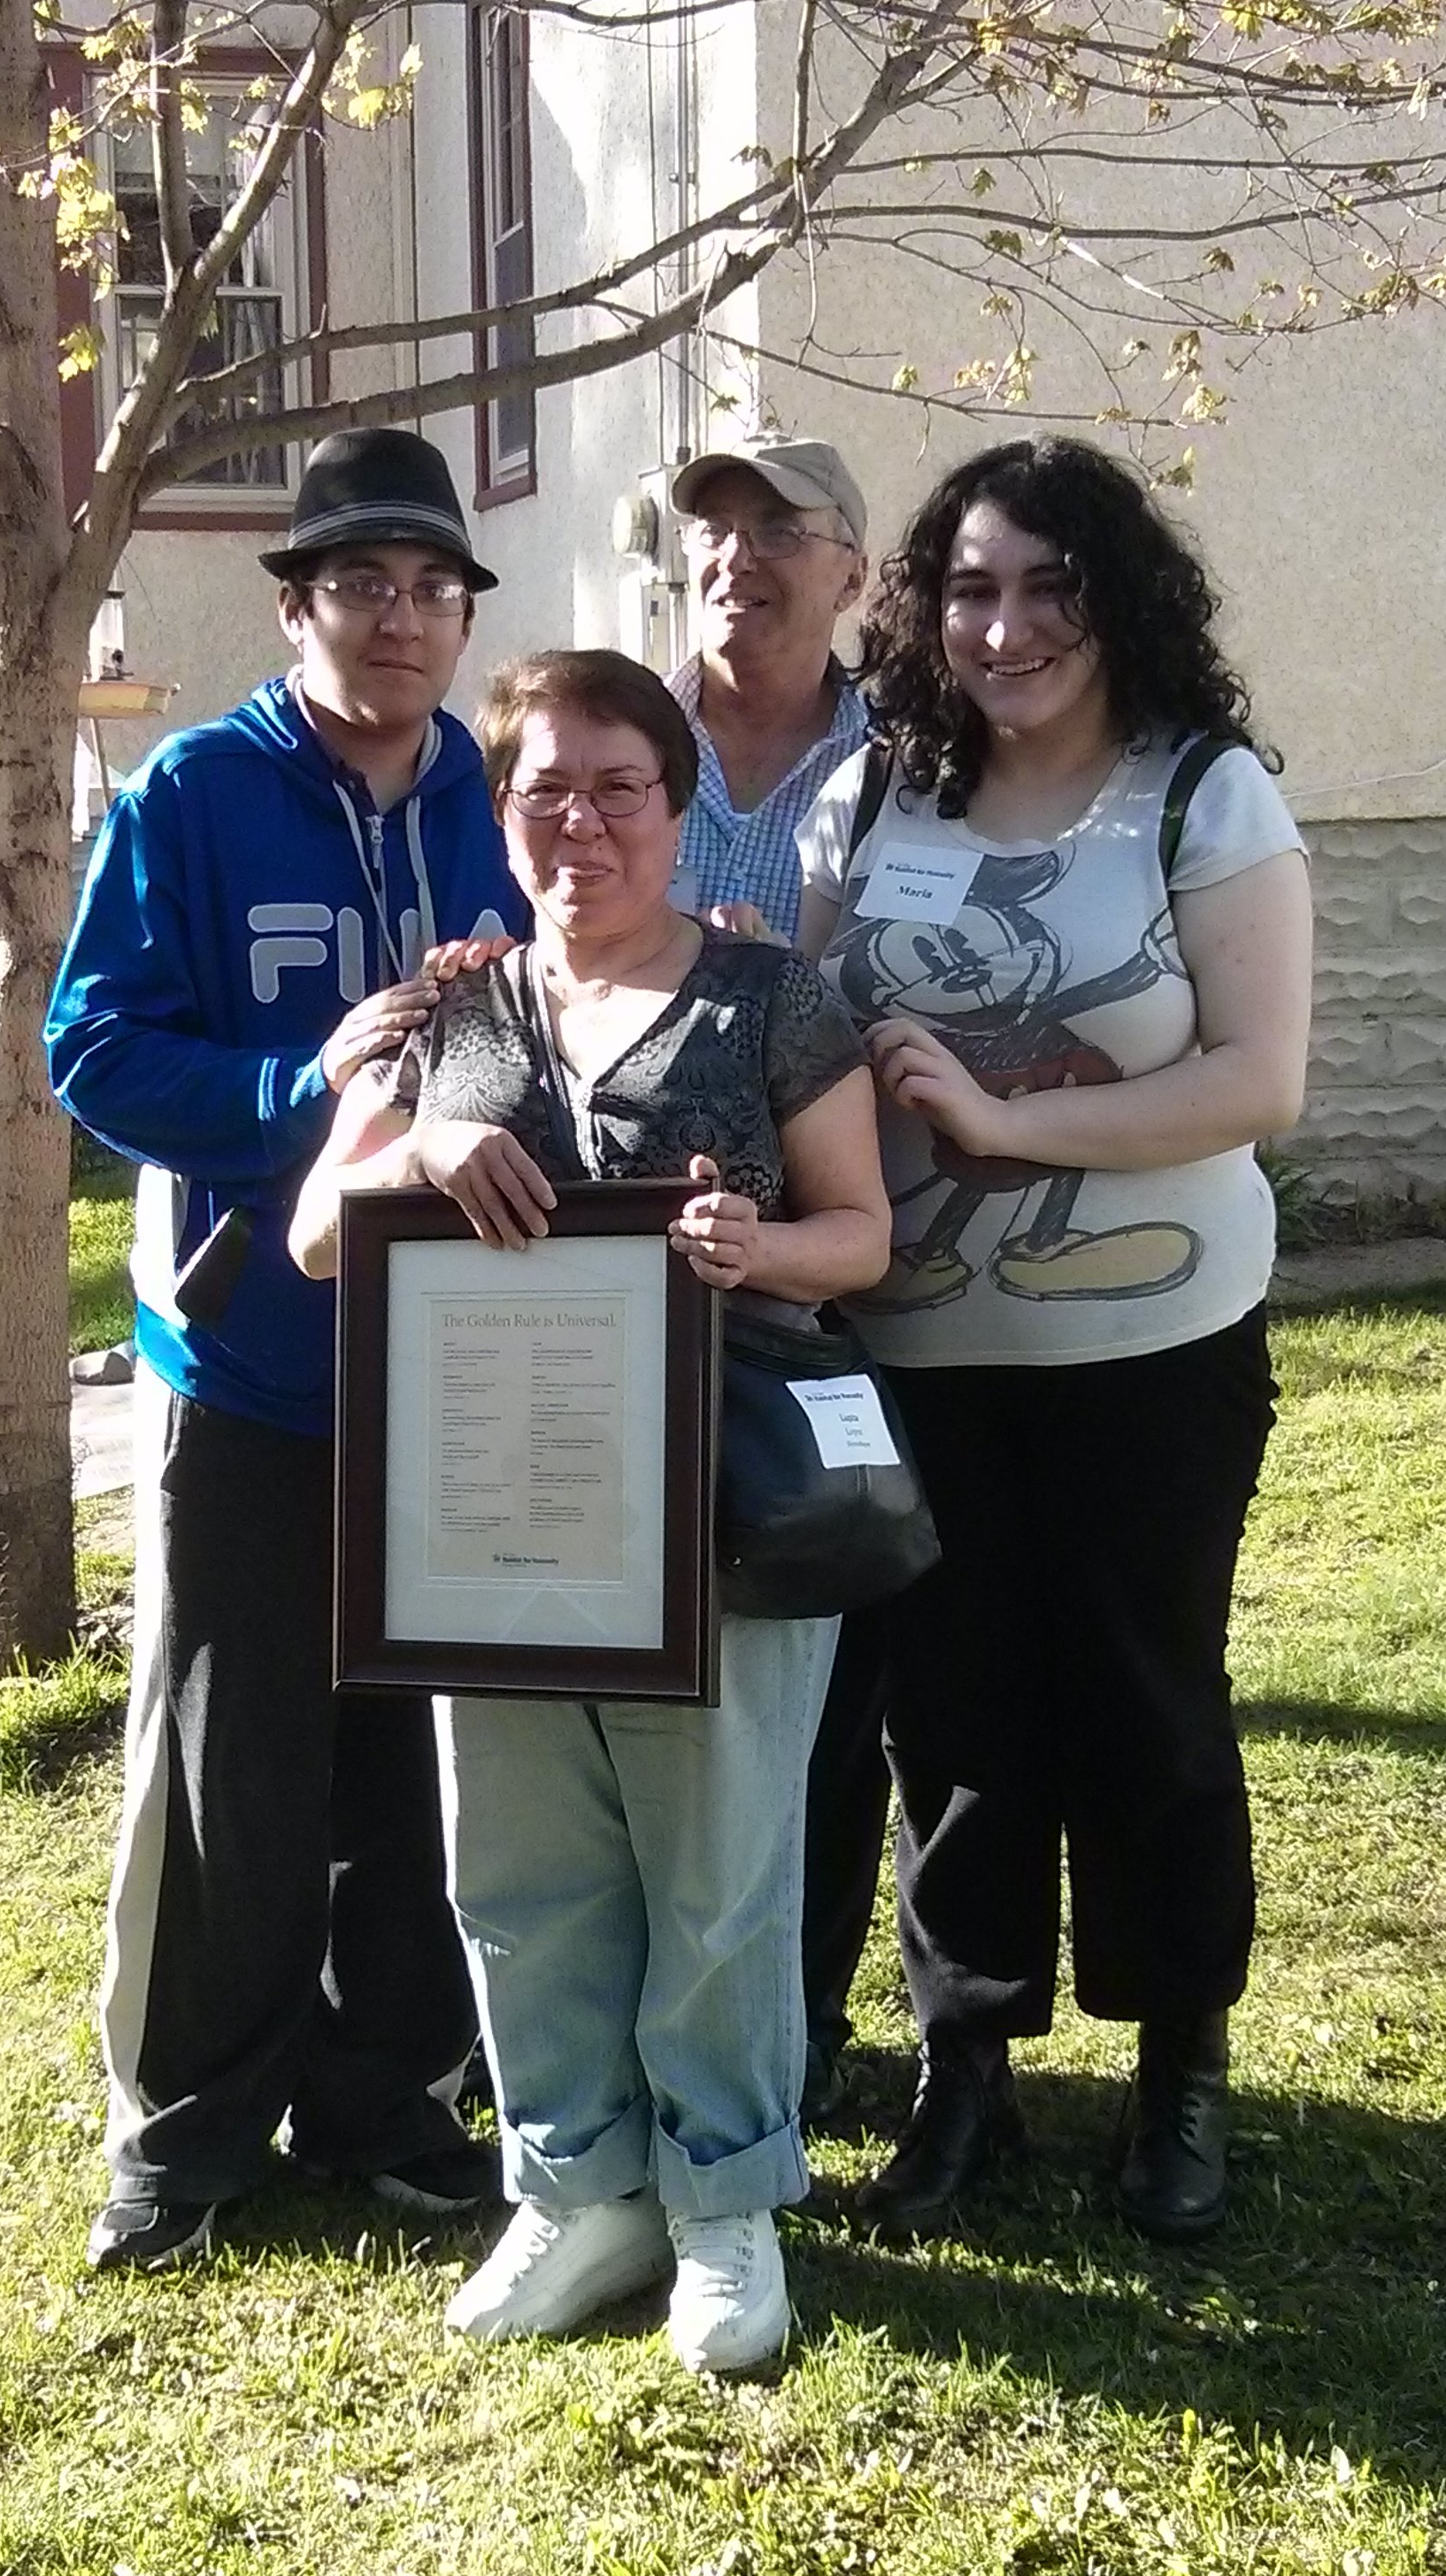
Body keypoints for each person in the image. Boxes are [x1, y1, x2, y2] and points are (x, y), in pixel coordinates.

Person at [289, 648, 893, 2372]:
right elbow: (317, 1233)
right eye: (544, 786)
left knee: (718, 1875)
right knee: (525, 1869)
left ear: (675, 800)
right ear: (505, 810)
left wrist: (755, 1248)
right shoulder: (449, 1012)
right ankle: (575, 2189)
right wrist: (411, 1156)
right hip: (492, 1512)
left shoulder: (777, 1002)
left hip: (714, 1522)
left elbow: (865, 1236)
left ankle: (721, 2206)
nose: (582, 819)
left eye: (618, 784)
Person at [794, 436, 1313, 2241]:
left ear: (1115, 599)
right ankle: (970, 2078)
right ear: (926, 612)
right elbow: (800, 1040)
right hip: (921, 1348)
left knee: (1147, 1699)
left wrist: (1010, 1127)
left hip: (1155, 1348)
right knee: (952, 1719)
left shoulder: (1201, 795)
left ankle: (1180, 2074)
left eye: (1047, 587)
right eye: (971, 589)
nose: (1005, 628)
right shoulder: (874, 803)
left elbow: (1260, 1081)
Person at [46, 428, 530, 2271]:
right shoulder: (195, 792)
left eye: (432, 589)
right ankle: (186, 2126)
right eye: (361, 586)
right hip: (249, 1356)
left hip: (453, 1364)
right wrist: (293, 1080)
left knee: (418, 1757)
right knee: (224, 1763)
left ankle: (389, 2091)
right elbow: (89, 1052)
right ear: (299, 605)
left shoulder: (488, 792)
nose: (400, 622)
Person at [663, 436, 888, 2119]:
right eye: (718, 532)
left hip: (844, 1266)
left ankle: (797, 2022)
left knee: (819, 1648)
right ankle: (630, 2011)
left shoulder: (917, 760)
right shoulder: (615, 745)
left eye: (781, 532)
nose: (740, 556)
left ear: (855, 576)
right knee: (631, 1658)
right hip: (621, 1288)